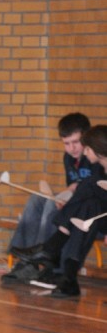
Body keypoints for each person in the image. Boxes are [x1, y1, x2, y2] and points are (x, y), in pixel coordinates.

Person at [1, 112, 94, 284]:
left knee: (52, 206)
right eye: (66, 143)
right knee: (36, 199)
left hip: (91, 210)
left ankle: (45, 260)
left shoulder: (95, 157)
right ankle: (27, 262)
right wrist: (68, 193)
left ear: (86, 138)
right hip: (78, 203)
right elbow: (73, 185)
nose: (71, 148)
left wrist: (70, 195)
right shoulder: (69, 158)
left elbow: (93, 191)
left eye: (76, 142)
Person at [28, 124, 107, 298]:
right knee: (88, 208)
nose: (85, 152)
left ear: (99, 150)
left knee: (88, 188)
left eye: (88, 148)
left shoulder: (97, 176)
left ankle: (53, 246)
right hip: (97, 218)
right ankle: (69, 278)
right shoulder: (101, 171)